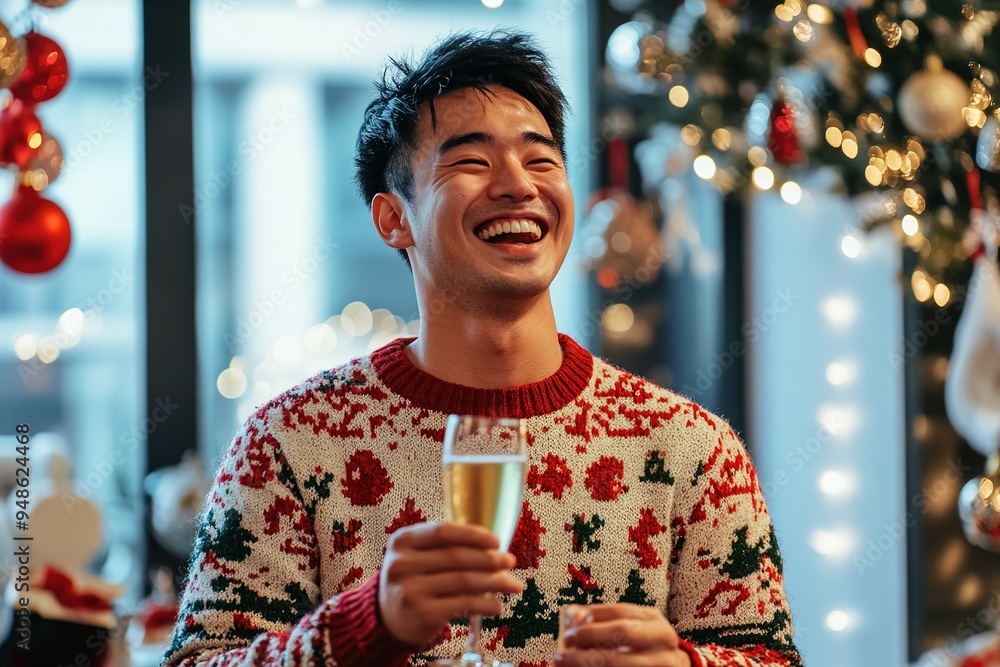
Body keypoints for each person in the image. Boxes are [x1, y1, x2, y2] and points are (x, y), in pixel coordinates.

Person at [163, 30, 802, 667]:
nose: (518, 185)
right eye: (471, 160)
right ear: (393, 219)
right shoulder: (290, 443)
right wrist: (366, 625)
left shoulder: (691, 449)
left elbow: (774, 659)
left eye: (542, 159)